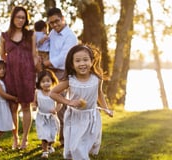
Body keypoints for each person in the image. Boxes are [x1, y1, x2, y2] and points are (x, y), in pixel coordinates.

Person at [49, 44, 113, 160]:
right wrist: (68, 102)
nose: (82, 63)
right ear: (72, 65)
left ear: (92, 61)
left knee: (86, 145)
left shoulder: (97, 79)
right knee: (76, 147)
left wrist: (106, 108)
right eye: (78, 61)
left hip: (91, 117)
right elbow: (52, 93)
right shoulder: (70, 80)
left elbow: (99, 94)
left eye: (85, 60)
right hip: (75, 118)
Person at [0, 6, 40, 149]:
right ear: (13, 18)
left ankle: (25, 139)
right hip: (11, 75)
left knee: (26, 106)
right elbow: (2, 56)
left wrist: (37, 72)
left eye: (23, 17)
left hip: (27, 75)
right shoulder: (5, 35)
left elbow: (34, 55)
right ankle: (15, 138)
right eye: (18, 17)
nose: (20, 20)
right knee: (13, 107)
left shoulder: (31, 35)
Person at [42, 7, 78, 147]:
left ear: (63, 18)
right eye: (51, 23)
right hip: (52, 72)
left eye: (57, 21)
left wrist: (46, 62)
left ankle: (64, 141)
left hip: (63, 73)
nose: (55, 25)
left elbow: (64, 57)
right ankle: (52, 138)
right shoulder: (52, 33)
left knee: (61, 106)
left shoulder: (70, 36)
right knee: (51, 105)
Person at [0, 56, 18, 151]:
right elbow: (3, 94)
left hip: (2, 105)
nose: (2, 71)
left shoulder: (1, 80)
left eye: (4, 68)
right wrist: (14, 98)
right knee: (4, 125)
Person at [32, 69, 61, 158]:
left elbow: (60, 103)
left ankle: (50, 145)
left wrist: (56, 109)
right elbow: (34, 102)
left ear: (52, 81)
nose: (46, 83)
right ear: (39, 83)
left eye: (48, 81)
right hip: (42, 117)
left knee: (52, 135)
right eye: (43, 81)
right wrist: (34, 106)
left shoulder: (54, 92)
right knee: (44, 135)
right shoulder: (37, 92)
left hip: (52, 117)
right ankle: (45, 152)